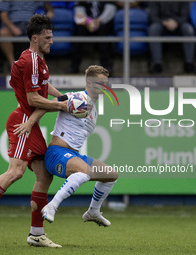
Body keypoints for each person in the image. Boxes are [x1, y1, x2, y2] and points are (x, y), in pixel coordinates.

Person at [0, 14, 67, 248]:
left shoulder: (38, 59)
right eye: (47, 37)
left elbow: (42, 89)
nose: (52, 41)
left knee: (44, 175)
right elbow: (34, 99)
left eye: (52, 37)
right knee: (16, 171)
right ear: (35, 38)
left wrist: (61, 96)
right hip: (23, 120)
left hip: (30, 119)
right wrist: (62, 105)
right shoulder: (31, 60)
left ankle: (36, 234)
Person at [14, 65, 118, 227]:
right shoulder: (74, 98)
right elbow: (48, 104)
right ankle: (52, 206)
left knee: (111, 174)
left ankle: (93, 212)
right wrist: (30, 123)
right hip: (56, 153)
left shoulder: (93, 109)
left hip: (74, 156)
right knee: (83, 172)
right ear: (89, 83)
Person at [0, 1, 54, 70]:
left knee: (43, 32)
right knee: (3, 33)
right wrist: (13, 28)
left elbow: (46, 3)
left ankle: (37, 65)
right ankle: (13, 65)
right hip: (12, 24)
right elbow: (3, 15)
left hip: (30, 24)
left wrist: (50, 11)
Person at [148, 2, 196, 74]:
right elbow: (153, 16)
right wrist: (165, 22)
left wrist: (176, 22)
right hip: (162, 24)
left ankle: (189, 63)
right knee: (153, 29)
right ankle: (157, 64)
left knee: (188, 29)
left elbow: (185, 16)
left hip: (179, 24)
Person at [69, 1, 117, 75]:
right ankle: (74, 66)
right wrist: (88, 22)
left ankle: (106, 67)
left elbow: (110, 9)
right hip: (86, 23)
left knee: (104, 32)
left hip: (102, 23)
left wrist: (99, 20)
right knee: (79, 31)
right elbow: (79, 10)